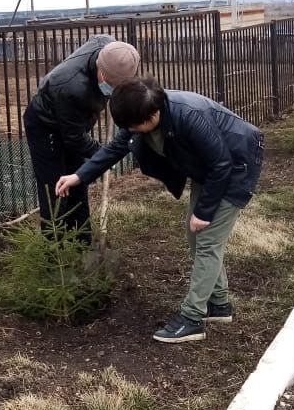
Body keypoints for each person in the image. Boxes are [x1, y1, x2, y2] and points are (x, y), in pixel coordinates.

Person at [55, 77, 263, 343]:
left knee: (208, 242)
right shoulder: (141, 109)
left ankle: (192, 318)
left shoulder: (188, 115)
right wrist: (79, 176)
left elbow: (222, 164)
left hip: (235, 166)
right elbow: (116, 148)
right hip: (211, 170)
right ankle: (219, 304)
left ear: (154, 113)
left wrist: (205, 212)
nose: (133, 131)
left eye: (136, 126)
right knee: (195, 237)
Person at [22, 35, 140, 241]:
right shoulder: (70, 87)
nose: (111, 90)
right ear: (99, 69)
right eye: (110, 84)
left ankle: (82, 242)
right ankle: (55, 254)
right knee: (56, 188)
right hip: (46, 125)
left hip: (74, 121)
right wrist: (104, 155)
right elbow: (74, 138)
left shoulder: (112, 51)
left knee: (78, 179)